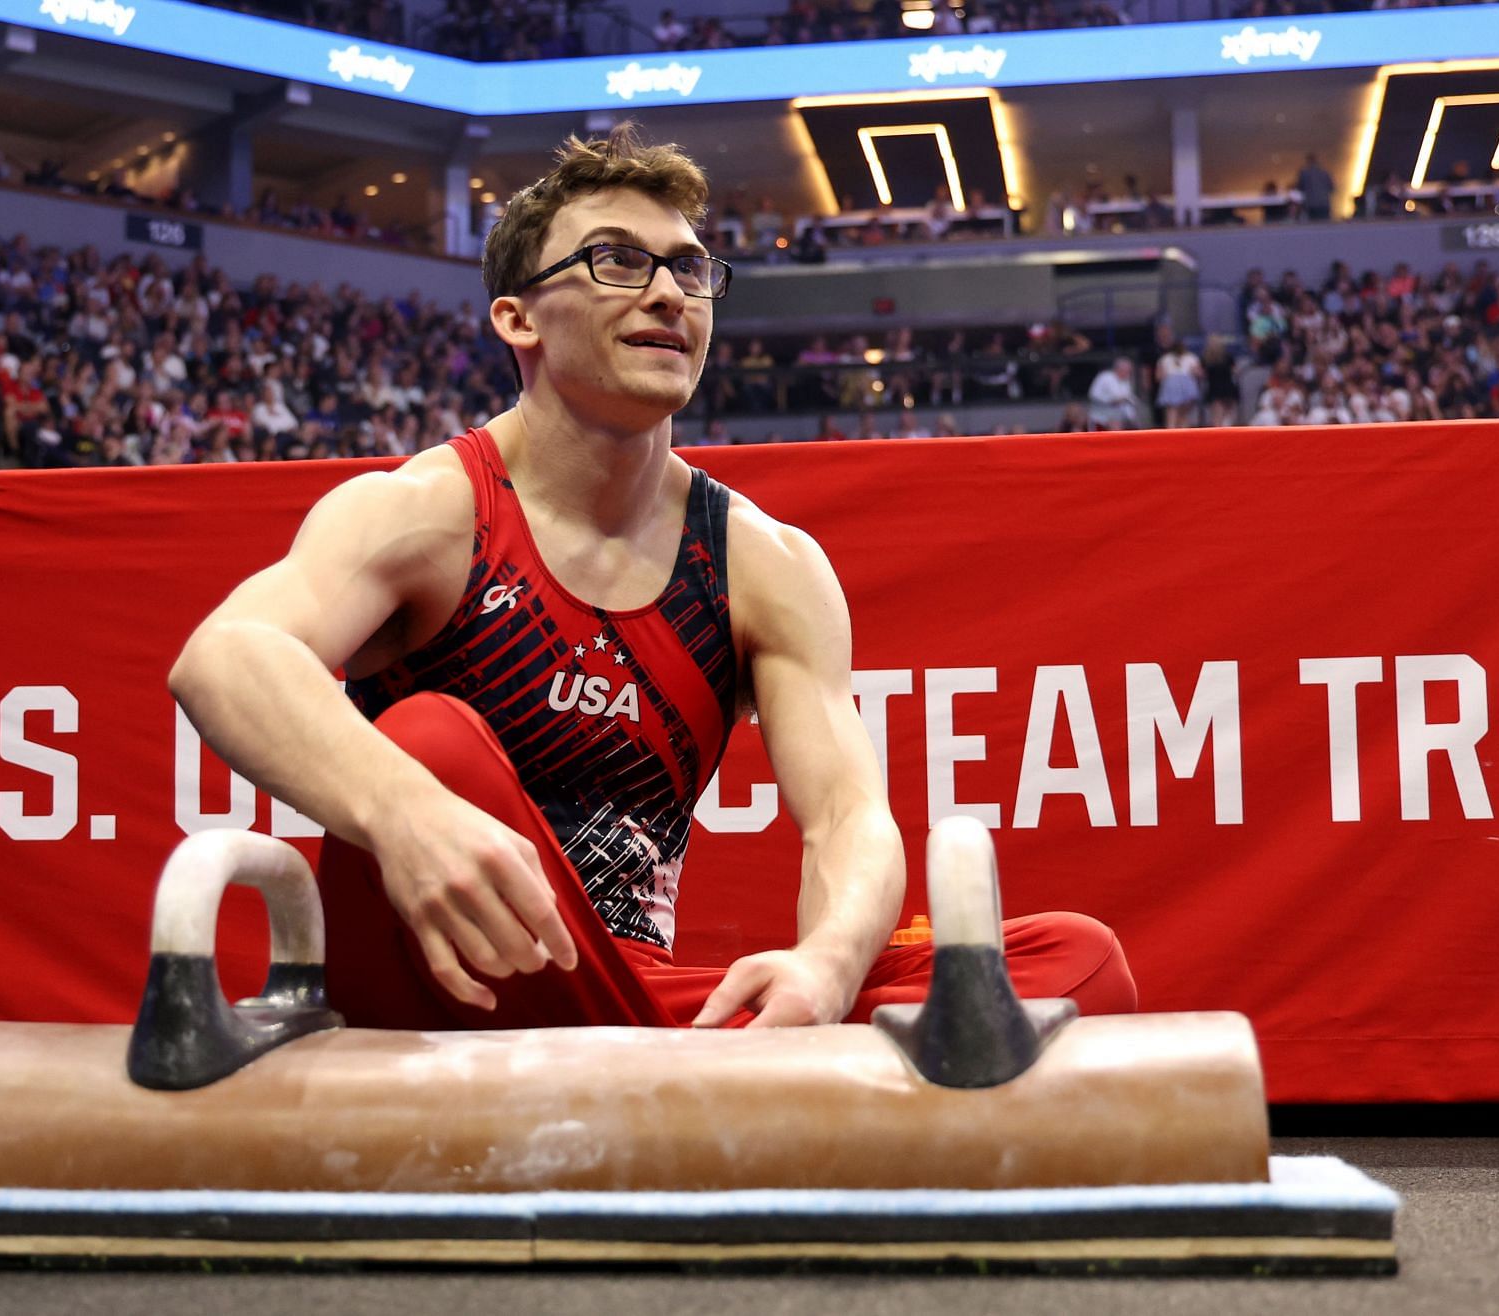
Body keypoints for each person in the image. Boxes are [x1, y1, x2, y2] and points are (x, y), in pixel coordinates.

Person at [169, 124, 1135, 1034]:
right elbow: (224, 657)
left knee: (1075, 963)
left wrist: (827, 969)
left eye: (687, 268)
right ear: (518, 318)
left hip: (632, 999)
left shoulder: (762, 562)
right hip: (444, 973)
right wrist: (401, 811)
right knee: (432, 742)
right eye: (618, 263)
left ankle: (707, 1073)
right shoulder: (430, 510)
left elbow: (847, 817)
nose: (668, 294)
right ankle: (740, 1093)